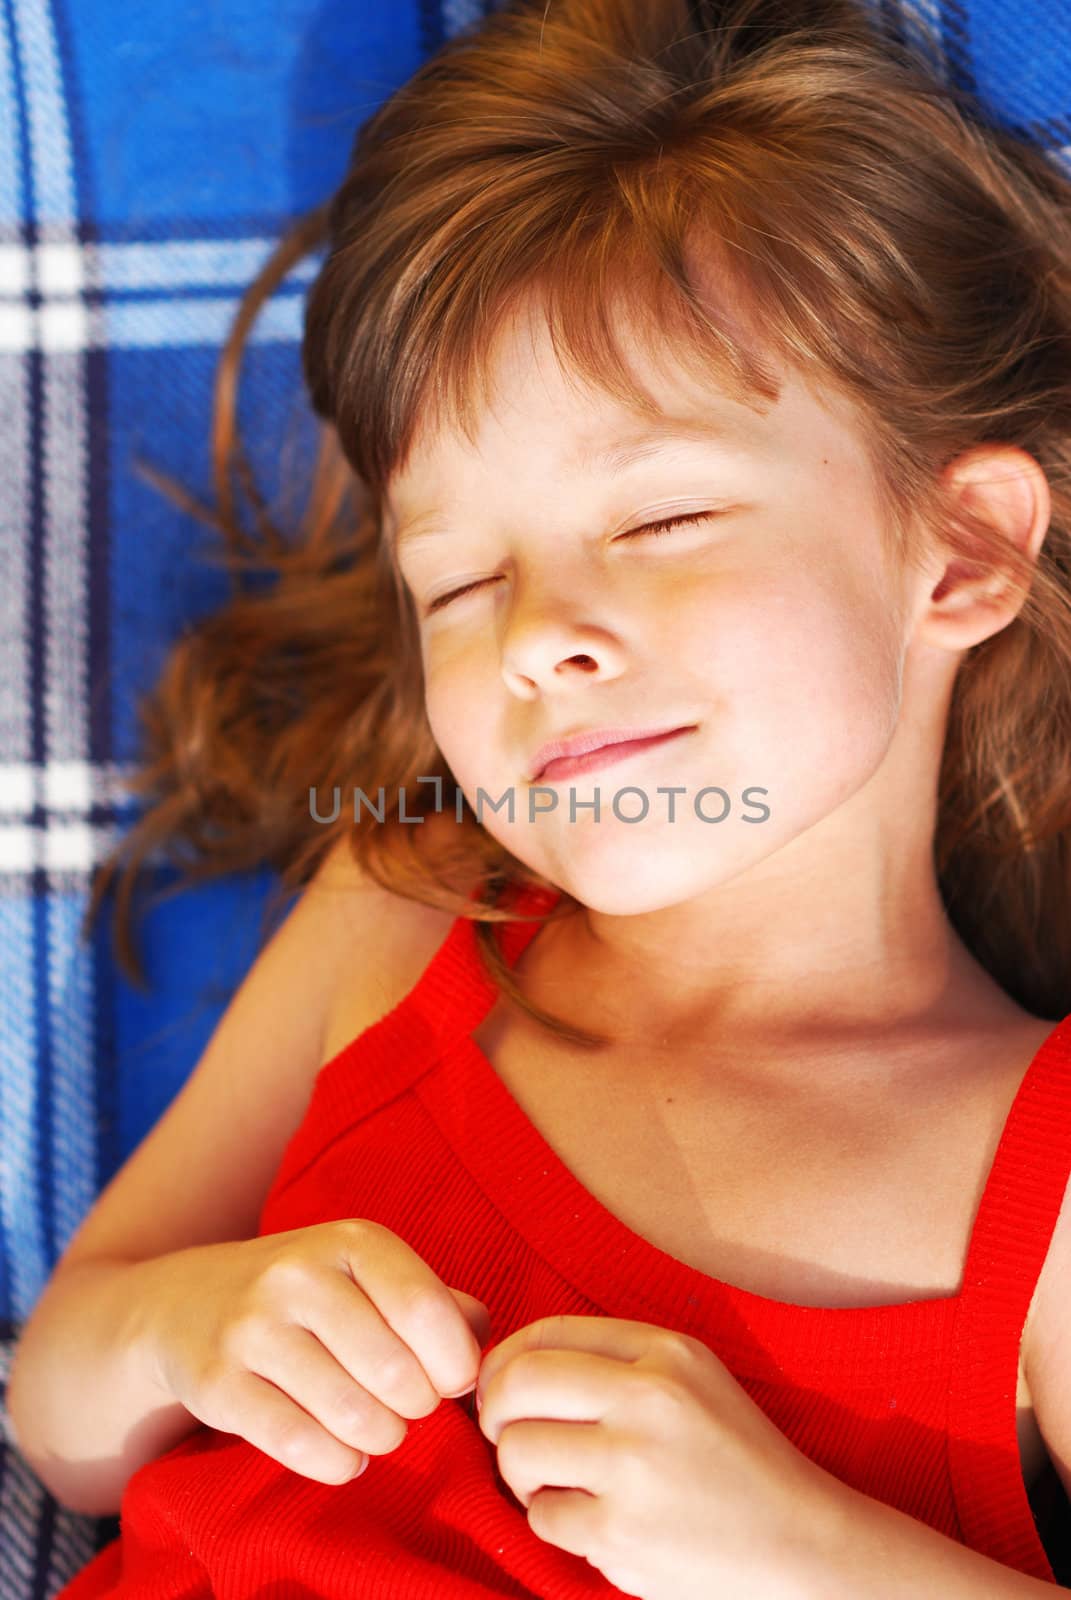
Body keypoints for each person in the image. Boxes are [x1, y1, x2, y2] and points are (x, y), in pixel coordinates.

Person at [7, 0, 1071, 1592]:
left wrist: (804, 1553)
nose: (537, 639)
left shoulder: (1041, 1179)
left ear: (964, 549)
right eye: (461, 582)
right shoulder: (407, 910)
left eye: (662, 519)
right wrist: (191, 1327)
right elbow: (62, 1407)